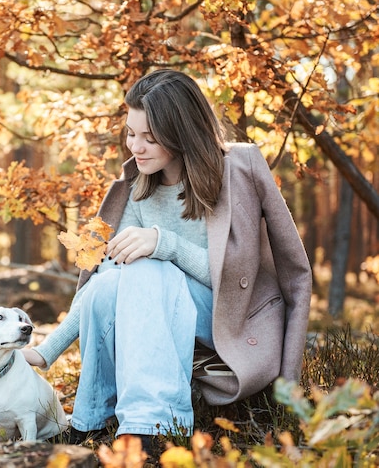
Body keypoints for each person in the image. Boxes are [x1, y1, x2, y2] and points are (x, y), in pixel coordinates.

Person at [22, 69, 313, 452]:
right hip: (161, 311)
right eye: (131, 133)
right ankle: (89, 420)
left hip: (233, 316)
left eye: (150, 137)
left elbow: (249, 273)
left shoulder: (237, 171)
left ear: (181, 134)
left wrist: (165, 243)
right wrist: (48, 349)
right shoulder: (139, 189)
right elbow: (107, 276)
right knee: (113, 277)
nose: (135, 147)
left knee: (145, 265)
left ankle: (154, 426)